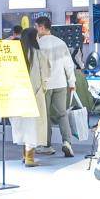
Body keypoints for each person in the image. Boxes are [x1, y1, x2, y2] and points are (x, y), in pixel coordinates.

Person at [35, 16, 76, 157]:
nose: (36, 30)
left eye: (37, 27)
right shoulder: (61, 42)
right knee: (62, 114)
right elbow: (69, 64)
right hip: (61, 83)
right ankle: (67, 142)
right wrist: (72, 82)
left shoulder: (38, 44)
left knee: (44, 115)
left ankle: (47, 145)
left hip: (45, 85)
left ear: (41, 27)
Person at [15, 27, 49, 167]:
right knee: (33, 126)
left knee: (22, 125)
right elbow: (45, 75)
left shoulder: (17, 53)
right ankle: (30, 158)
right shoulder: (38, 53)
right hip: (35, 94)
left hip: (18, 96)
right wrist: (43, 89)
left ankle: (25, 155)